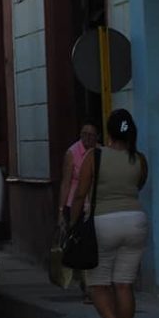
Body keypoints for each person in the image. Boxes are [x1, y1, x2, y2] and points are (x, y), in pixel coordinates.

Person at [71, 109, 149, 318]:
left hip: (104, 223)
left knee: (97, 285)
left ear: (109, 131)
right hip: (136, 222)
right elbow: (137, 186)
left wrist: (71, 224)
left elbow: (81, 193)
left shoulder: (96, 156)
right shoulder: (139, 159)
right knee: (124, 285)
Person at [58, 122, 100, 301]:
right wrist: (61, 210)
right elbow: (66, 181)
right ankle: (87, 286)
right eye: (84, 134)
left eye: (91, 135)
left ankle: (89, 284)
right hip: (75, 203)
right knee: (82, 245)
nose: (87, 138)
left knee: (92, 245)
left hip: (94, 203)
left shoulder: (100, 152)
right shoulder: (72, 152)